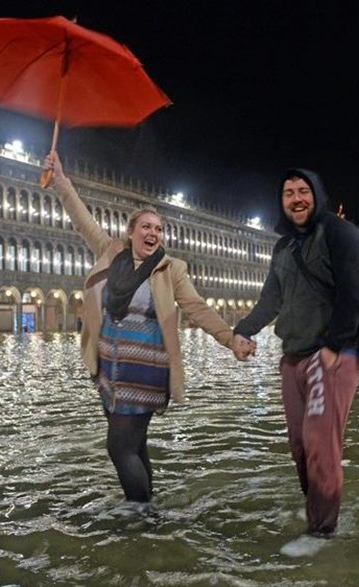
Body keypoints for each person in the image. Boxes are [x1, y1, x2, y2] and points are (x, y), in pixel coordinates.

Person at [43, 152, 253, 504]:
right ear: (131, 231)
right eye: (147, 226)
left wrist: (230, 339)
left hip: (146, 371)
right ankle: (149, 505)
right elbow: (81, 219)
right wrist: (61, 181)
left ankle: (141, 519)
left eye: (159, 228)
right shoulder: (112, 253)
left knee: (118, 448)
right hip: (110, 369)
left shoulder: (171, 269)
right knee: (135, 445)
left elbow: (197, 308)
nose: (153, 233)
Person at [231, 168, 359, 547]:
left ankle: (322, 534)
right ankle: (319, 507)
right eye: (289, 192)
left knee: (320, 443)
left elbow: (356, 292)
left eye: (303, 191)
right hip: (292, 357)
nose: (296, 199)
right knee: (299, 446)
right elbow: (271, 300)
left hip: (331, 355)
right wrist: (243, 330)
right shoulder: (283, 248)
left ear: (316, 194)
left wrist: (333, 344)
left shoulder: (340, 234)